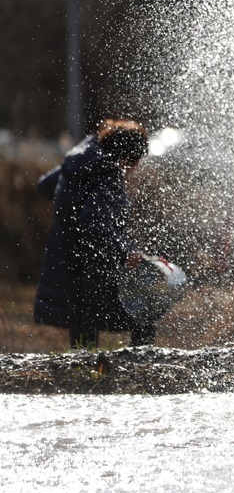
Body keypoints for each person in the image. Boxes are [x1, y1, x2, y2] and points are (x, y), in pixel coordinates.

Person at [34, 119, 153, 347]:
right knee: (145, 310)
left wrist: (69, 202)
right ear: (126, 158)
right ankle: (142, 369)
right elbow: (95, 226)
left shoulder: (78, 163)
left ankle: (83, 377)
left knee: (82, 338)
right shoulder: (107, 176)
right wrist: (126, 253)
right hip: (92, 270)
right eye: (135, 162)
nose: (133, 169)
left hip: (67, 264)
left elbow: (44, 187)